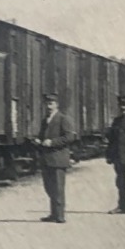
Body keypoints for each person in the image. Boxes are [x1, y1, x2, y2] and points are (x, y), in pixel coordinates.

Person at [34, 92, 78, 223]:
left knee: (58, 188)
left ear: (56, 105)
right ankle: (53, 213)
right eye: (47, 104)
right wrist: (38, 140)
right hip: (47, 158)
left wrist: (52, 142)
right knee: (49, 187)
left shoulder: (63, 119)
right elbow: (42, 136)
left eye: (51, 103)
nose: (48, 106)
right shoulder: (45, 120)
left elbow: (70, 137)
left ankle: (60, 215)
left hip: (58, 159)